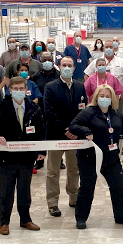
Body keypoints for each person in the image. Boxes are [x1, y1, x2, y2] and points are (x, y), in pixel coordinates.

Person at [69, 84, 123, 229]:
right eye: (102, 96)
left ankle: (121, 216)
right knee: (87, 187)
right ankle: (81, 218)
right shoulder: (88, 112)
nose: (105, 99)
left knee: (118, 186)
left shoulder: (115, 113)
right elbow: (73, 126)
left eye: (107, 96)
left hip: (111, 157)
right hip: (89, 158)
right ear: (96, 97)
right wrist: (85, 130)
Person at [0, 76, 47, 235]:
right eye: (15, 89)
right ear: (9, 90)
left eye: (21, 89)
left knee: (24, 190)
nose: (19, 92)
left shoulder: (34, 108)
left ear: (26, 90)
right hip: (7, 159)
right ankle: (4, 222)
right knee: (5, 191)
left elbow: (41, 131)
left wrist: (41, 151)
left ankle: (25, 219)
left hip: (26, 158)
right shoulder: (0, 108)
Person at [43, 57, 86, 217]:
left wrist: (75, 130)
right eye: (64, 65)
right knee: (53, 171)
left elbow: (83, 111)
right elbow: (49, 112)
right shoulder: (50, 87)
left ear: (74, 68)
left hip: (75, 137)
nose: (67, 67)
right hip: (56, 135)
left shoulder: (80, 87)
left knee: (74, 169)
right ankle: (53, 202)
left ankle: (74, 198)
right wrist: (65, 129)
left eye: (70, 65)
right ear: (59, 67)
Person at [31, 51, 60, 170]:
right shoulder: (36, 77)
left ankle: (59, 160)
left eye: (49, 60)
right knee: (40, 135)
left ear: (53, 62)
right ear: (41, 62)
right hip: (40, 110)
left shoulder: (58, 75)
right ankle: (40, 159)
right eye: (44, 60)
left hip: (55, 110)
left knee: (56, 134)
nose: (47, 62)